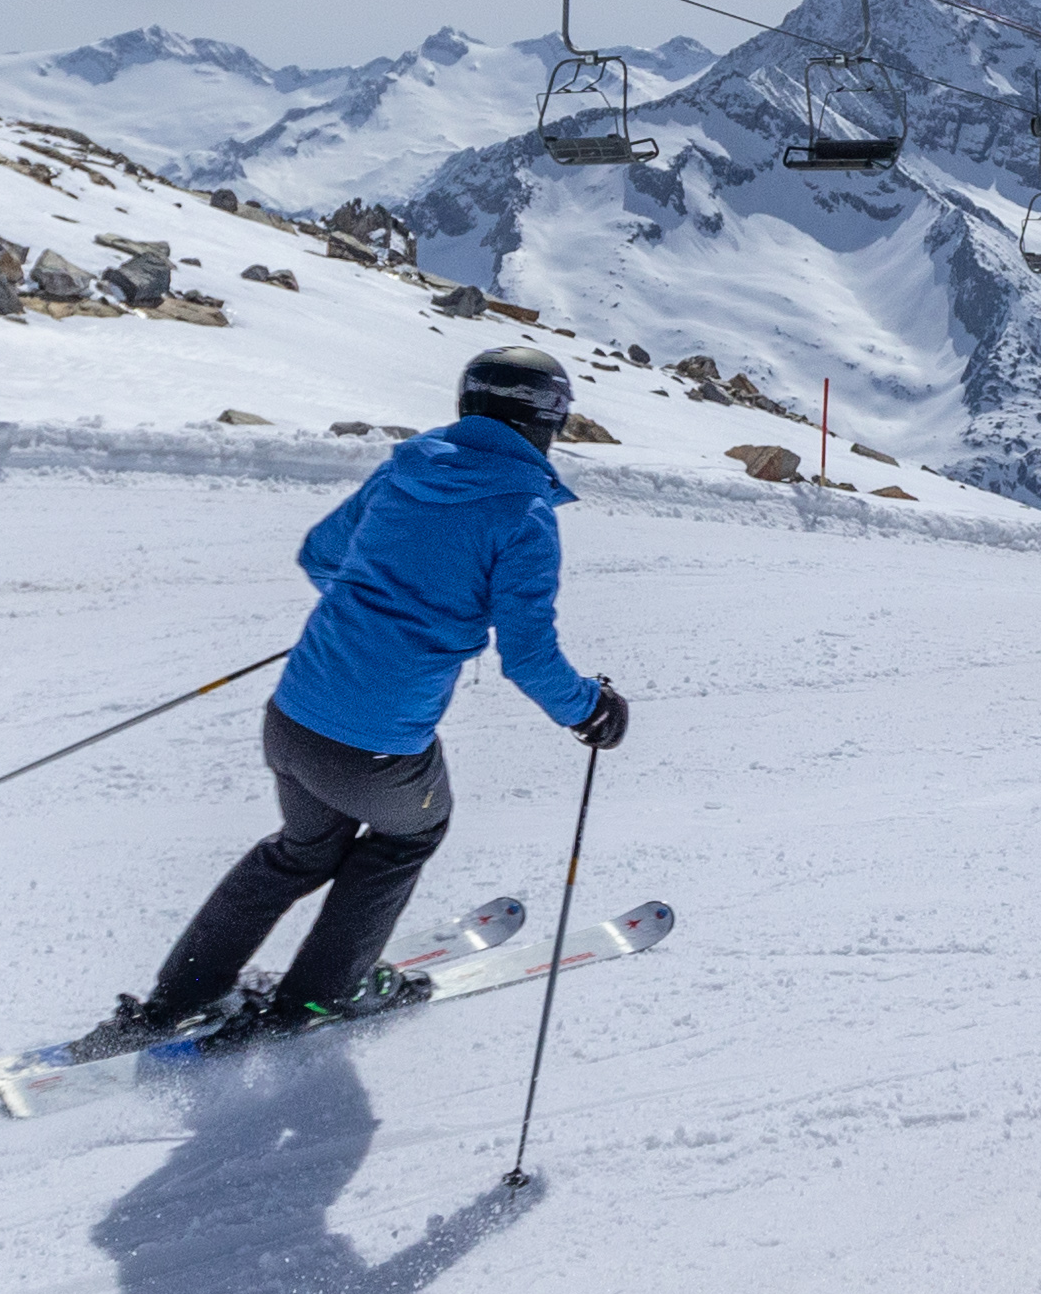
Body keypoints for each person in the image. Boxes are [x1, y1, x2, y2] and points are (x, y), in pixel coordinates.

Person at [64, 340, 632, 1058]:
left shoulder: (407, 469)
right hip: (376, 748)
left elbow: (322, 556)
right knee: (409, 833)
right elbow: (528, 657)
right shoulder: (523, 512)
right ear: (547, 421)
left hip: (294, 718)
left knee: (300, 853)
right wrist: (592, 709)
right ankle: (322, 993)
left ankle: (180, 997)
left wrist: (373, 607)